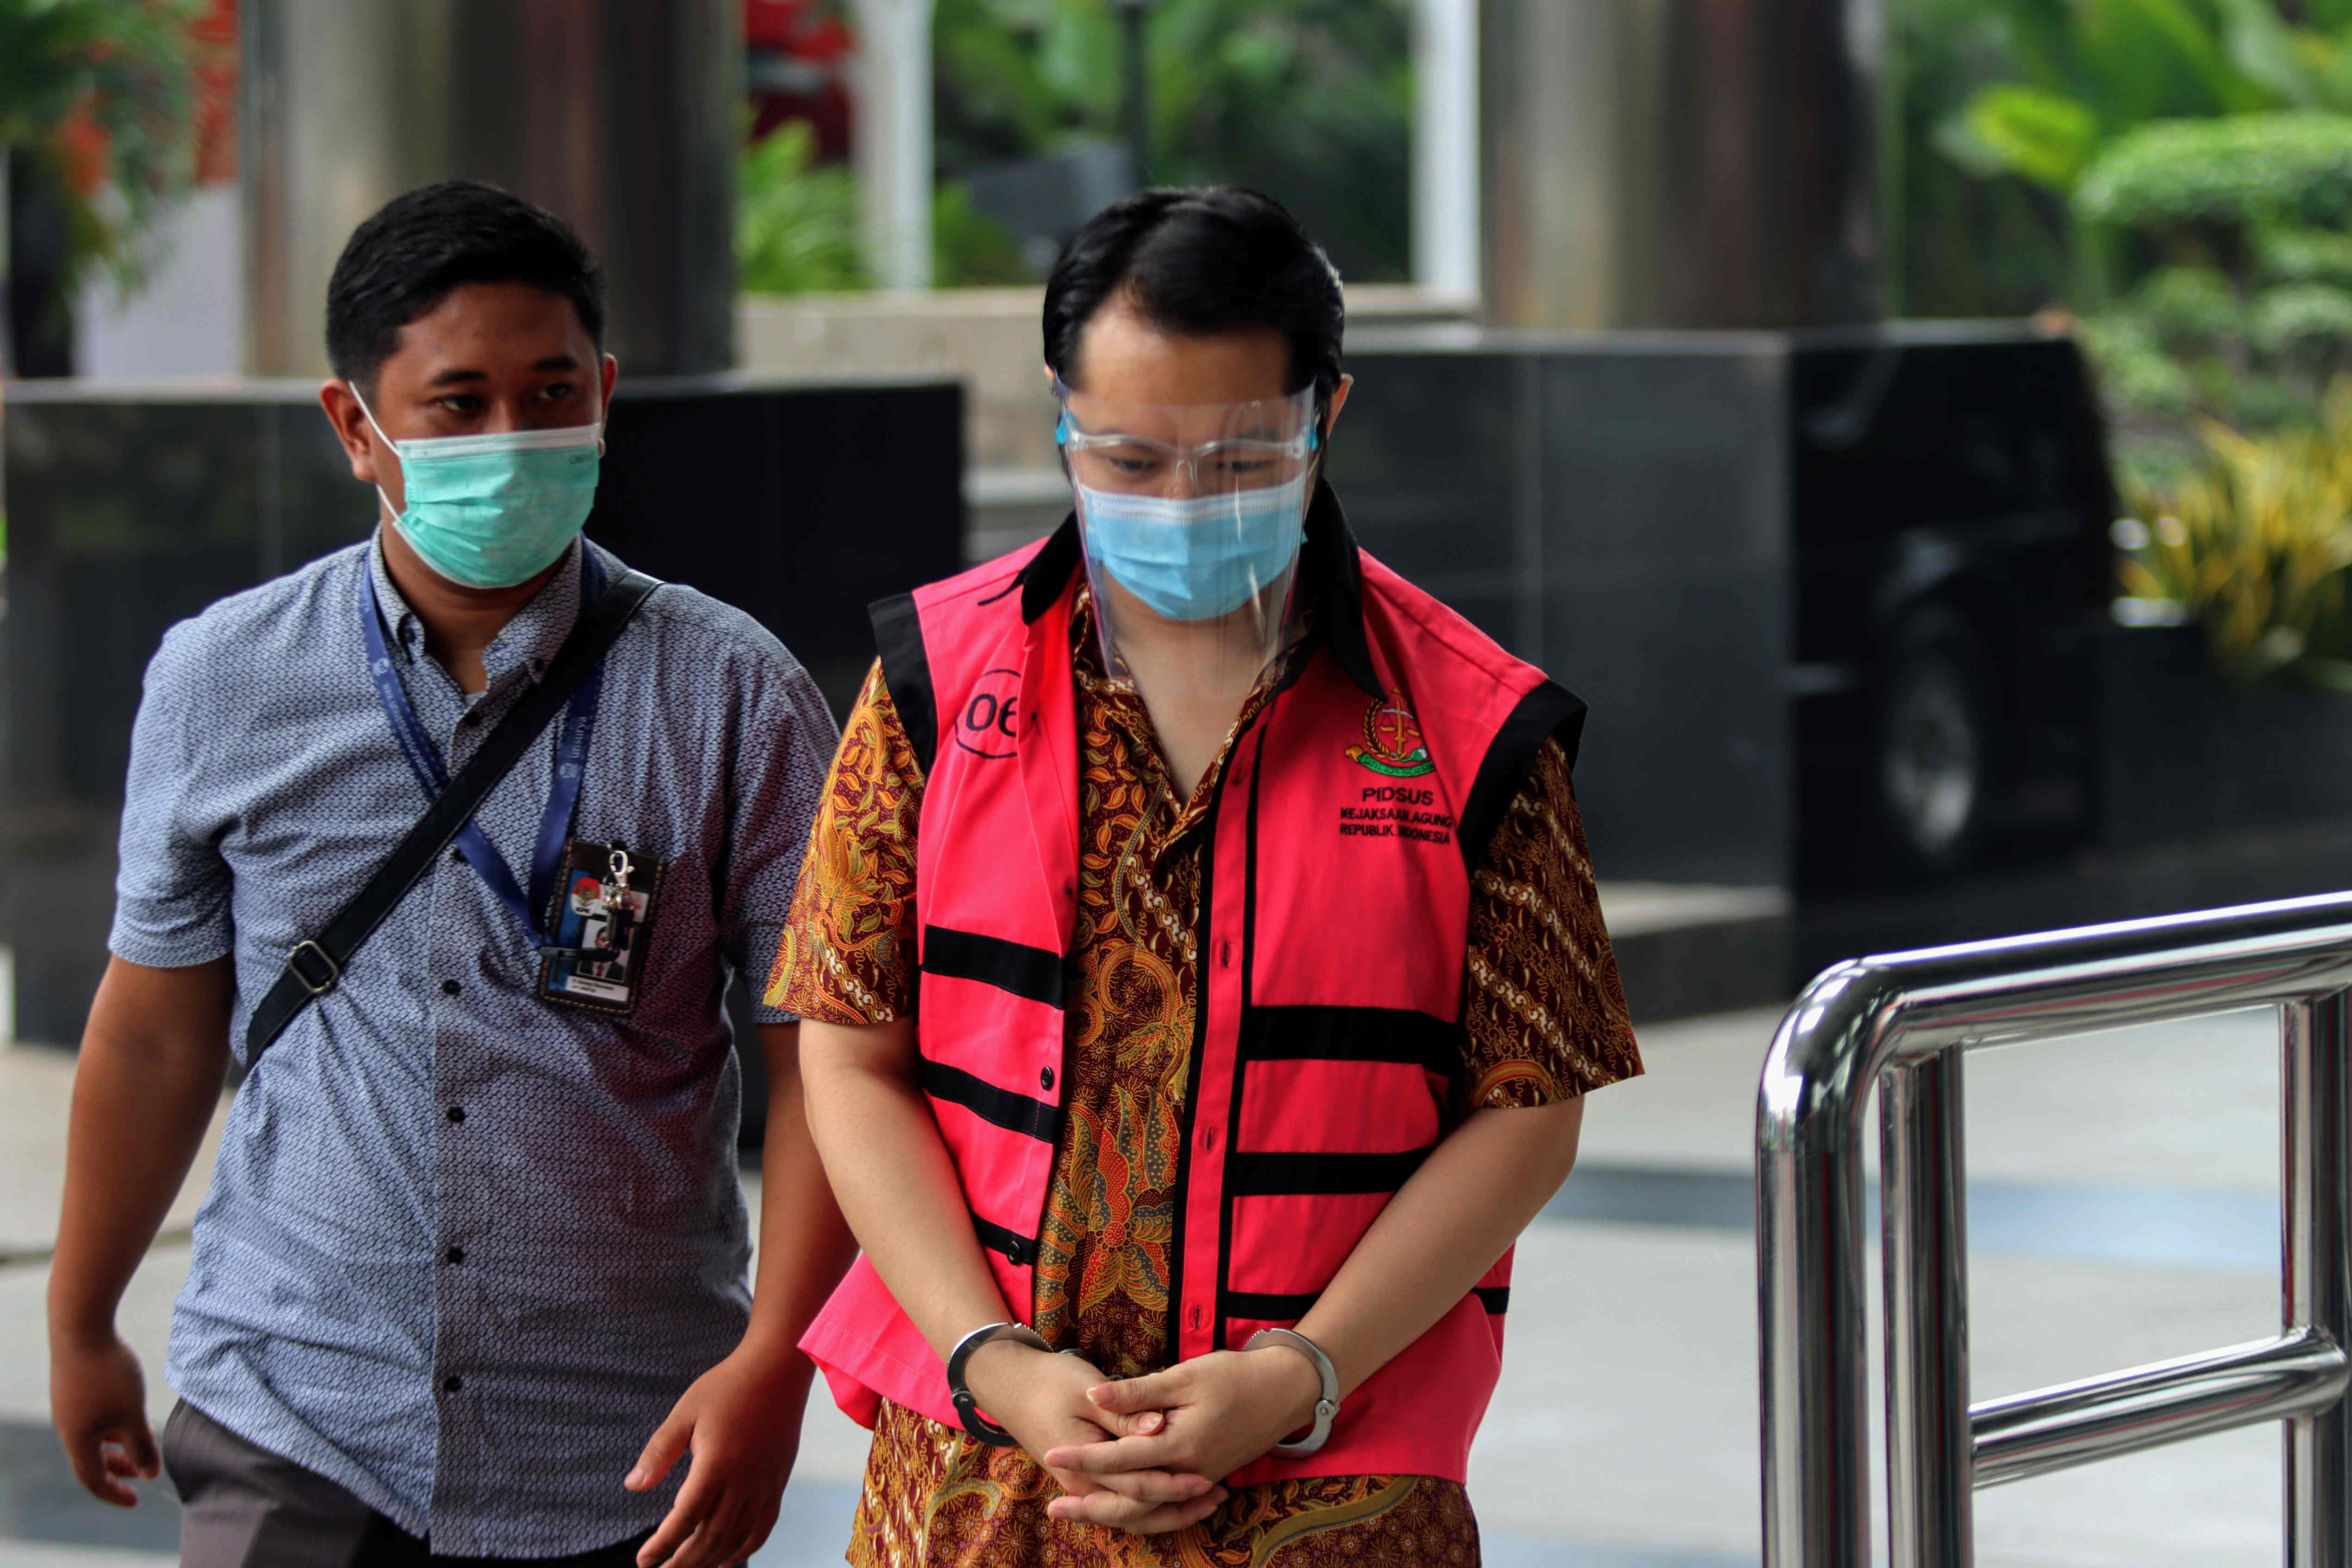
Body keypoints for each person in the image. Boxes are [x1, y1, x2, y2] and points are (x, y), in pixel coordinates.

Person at [778, 186, 1644, 1565]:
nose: (1180, 501)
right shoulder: (932, 689)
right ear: (1058, 416)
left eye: (1241, 459)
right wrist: (991, 1357)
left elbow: (1528, 1109)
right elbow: (849, 1053)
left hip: (1335, 1494)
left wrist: (1300, 1375)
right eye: (1125, 458)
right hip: (978, 1483)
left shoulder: (1476, 733)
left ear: (1327, 417)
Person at [47, 181, 855, 1568]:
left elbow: (823, 1057)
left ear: (605, 392)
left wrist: (777, 1361)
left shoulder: (734, 691)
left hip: (626, 1436)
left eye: (551, 394)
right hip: (295, 1412)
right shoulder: (222, 677)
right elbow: (152, 1032)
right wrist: (78, 1317)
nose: (513, 438)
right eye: (457, 403)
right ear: (355, 427)